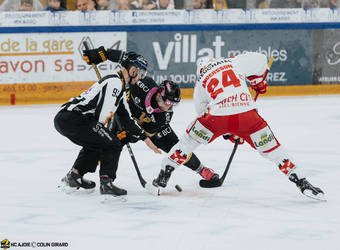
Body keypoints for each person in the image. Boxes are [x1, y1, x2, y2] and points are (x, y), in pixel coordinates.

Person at [152, 52, 325, 201]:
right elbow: (261, 59)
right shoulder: (233, 61)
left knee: (187, 142)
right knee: (273, 150)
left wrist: (226, 131)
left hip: (216, 116)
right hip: (247, 115)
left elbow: (201, 112)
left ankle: (164, 173)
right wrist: (256, 82)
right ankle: (301, 181)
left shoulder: (201, 80)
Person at [82, 46, 221, 184]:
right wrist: (104, 54)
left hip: (146, 129)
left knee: (177, 148)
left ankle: (202, 170)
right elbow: (128, 60)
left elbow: (144, 133)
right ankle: (79, 173)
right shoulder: (143, 83)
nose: (168, 106)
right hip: (123, 113)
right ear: (160, 92)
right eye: (167, 101)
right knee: (103, 140)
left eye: (172, 104)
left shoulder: (164, 116)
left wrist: (128, 136)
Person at [54, 52, 161, 197]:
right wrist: (109, 136)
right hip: (73, 118)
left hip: (68, 118)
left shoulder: (121, 88)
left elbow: (126, 118)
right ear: (133, 70)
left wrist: (145, 138)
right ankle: (106, 183)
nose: (141, 77)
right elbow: (102, 116)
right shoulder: (115, 82)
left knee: (97, 142)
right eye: (141, 73)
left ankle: (74, 176)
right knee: (113, 143)